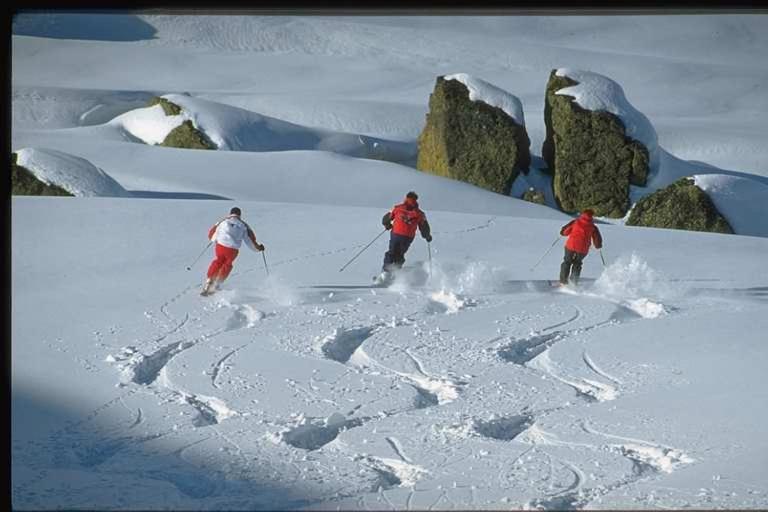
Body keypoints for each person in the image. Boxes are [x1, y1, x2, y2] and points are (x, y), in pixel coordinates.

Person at [202, 207, 265, 295]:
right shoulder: (244, 225)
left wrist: (213, 239)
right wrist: (258, 248)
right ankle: (218, 283)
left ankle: (209, 280)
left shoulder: (223, 221)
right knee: (227, 264)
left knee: (218, 261)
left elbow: (212, 232)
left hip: (220, 246)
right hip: (232, 250)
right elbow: (250, 241)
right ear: (239, 215)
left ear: (230, 213)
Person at [377, 191, 432, 282]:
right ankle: (395, 273)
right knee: (400, 254)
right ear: (416, 201)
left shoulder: (397, 208)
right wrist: (427, 236)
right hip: (408, 237)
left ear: (406, 198)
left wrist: (387, 225)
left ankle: (385, 273)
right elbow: (424, 226)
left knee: (391, 252)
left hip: (396, 234)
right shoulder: (419, 213)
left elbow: (386, 218)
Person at [559, 209, 602, 286]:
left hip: (571, 246)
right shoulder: (593, 227)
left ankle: (563, 281)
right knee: (577, 264)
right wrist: (598, 245)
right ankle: (573, 282)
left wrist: (562, 232)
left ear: (582, 214)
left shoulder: (575, 222)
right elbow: (597, 239)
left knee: (567, 262)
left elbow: (565, 231)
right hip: (582, 249)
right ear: (592, 216)